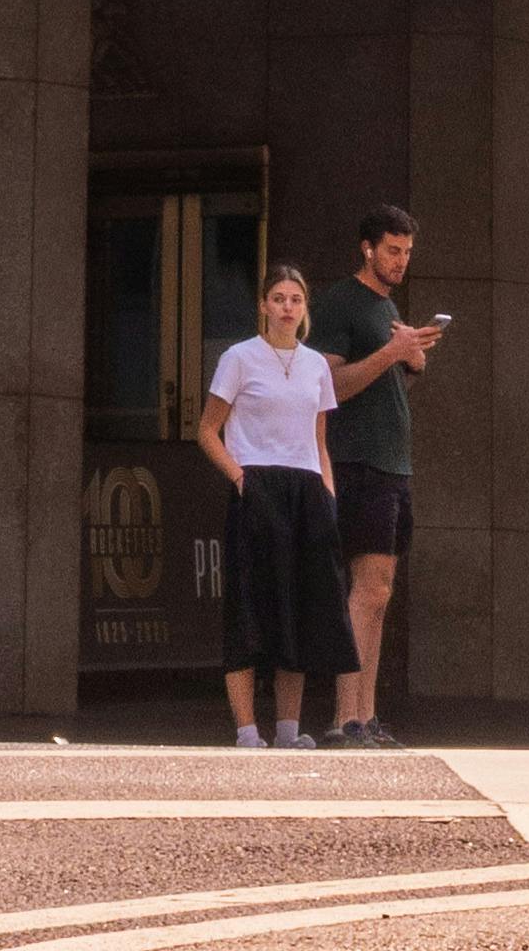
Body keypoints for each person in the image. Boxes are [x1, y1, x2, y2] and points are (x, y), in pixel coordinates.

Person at [201, 264, 347, 750]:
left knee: (298, 607)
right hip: (257, 483)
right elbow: (207, 430)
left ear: (305, 308)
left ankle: (287, 729)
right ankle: (247, 729)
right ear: (264, 305)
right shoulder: (239, 358)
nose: (287, 307)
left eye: (296, 299)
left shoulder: (316, 367)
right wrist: (241, 477)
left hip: (306, 487)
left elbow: (319, 438)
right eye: (279, 298)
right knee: (250, 602)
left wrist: (327, 494)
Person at [307, 204, 436, 742]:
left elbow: (380, 388)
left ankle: (367, 713)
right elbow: (329, 387)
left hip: (392, 463)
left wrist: (411, 363)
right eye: (392, 250)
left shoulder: (388, 306)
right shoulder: (341, 301)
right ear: (367, 248)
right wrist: (392, 352)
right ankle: (346, 716)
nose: (401, 261)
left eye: (407, 252)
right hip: (357, 460)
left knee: (379, 592)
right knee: (365, 590)